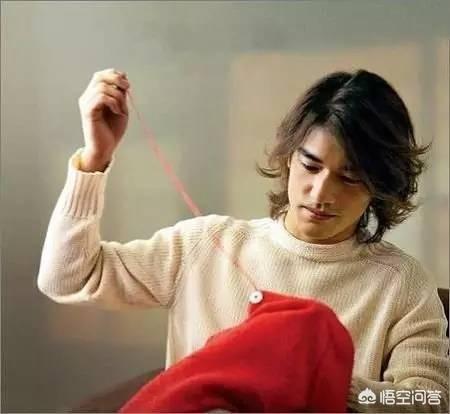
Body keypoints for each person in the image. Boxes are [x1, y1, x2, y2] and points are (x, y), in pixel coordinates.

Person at [37, 68, 449, 412]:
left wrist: (324, 383)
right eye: (310, 165)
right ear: (289, 156)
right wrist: (94, 159)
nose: (321, 192)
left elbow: (429, 399)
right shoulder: (207, 244)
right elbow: (67, 279)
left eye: (350, 178)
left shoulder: (402, 283)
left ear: (381, 185)